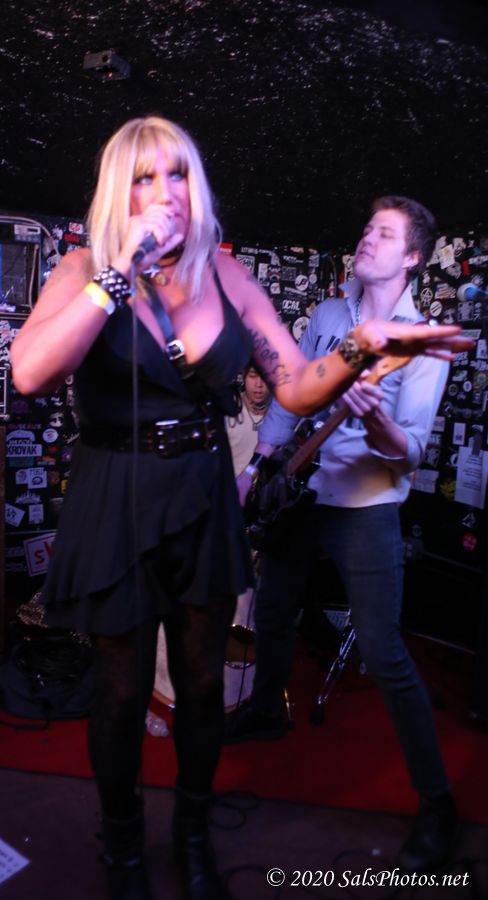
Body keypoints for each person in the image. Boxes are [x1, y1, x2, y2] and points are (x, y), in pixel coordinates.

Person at [10, 118, 469, 900]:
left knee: (199, 684)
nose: (165, 193)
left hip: (199, 491)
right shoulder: (84, 268)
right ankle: (124, 852)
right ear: (119, 190)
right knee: (120, 690)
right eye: (145, 177)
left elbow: (297, 385)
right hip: (115, 493)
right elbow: (30, 371)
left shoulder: (227, 275)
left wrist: (363, 343)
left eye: (178, 175)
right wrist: (118, 272)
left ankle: (194, 838)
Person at [224, 195, 462, 875]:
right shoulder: (331, 316)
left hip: (365, 505)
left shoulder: (420, 341)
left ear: (412, 257)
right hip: (300, 492)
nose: (366, 239)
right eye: (365, 229)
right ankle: (265, 711)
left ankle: (438, 803)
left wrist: (375, 418)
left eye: (383, 234)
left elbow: (410, 450)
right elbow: (291, 394)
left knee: (384, 651)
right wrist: (258, 466)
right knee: (274, 611)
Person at [225, 365, 271, 476]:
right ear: (244, 376)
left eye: (265, 377)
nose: (259, 384)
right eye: (253, 376)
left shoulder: (281, 414)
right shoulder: (229, 409)